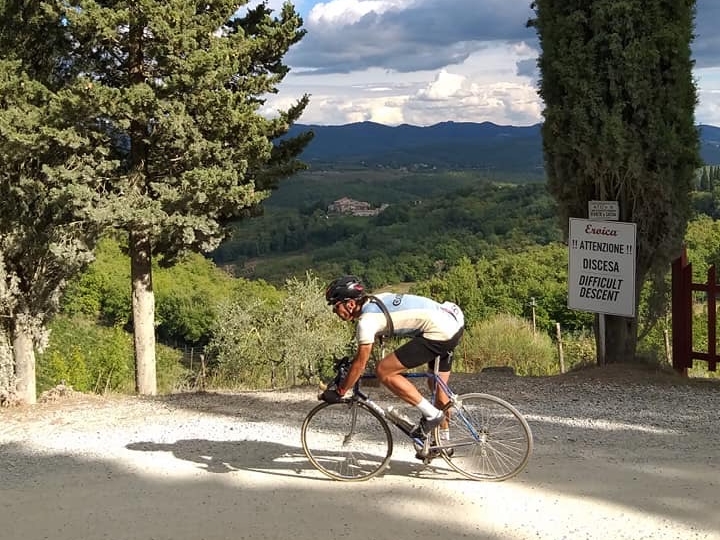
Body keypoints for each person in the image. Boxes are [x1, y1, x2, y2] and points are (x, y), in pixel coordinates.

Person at [320, 275, 465, 439]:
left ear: (350, 304)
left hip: (439, 333)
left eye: (335, 306)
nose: (334, 311)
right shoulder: (376, 299)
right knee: (436, 386)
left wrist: (340, 391)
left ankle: (431, 414)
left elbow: (360, 364)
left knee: (383, 370)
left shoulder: (367, 322)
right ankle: (444, 443)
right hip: (452, 322)